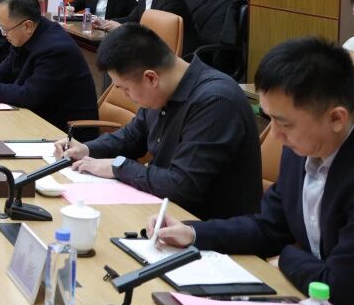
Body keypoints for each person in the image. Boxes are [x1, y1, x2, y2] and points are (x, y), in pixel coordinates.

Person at [153, 38, 354, 305]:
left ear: (336, 118)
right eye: (270, 119)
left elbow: (343, 290)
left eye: (284, 124)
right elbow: (269, 226)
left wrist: (286, 258)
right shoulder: (307, 142)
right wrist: (193, 233)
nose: (276, 136)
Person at [56, 24, 261, 219]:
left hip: (203, 228)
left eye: (125, 89)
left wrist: (117, 167)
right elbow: (132, 137)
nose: (126, 96)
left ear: (151, 78)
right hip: (161, 213)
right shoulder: (162, 92)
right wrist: (87, 149)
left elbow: (181, 186)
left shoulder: (216, 101)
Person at [0, 0, 97, 130]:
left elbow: (28, 96)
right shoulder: (25, 33)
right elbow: (5, 69)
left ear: (27, 26)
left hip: (65, 132)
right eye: (0, 27)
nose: (3, 34)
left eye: (5, 29)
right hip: (36, 118)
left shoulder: (56, 49)